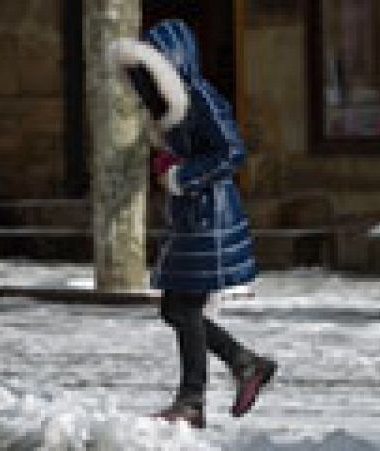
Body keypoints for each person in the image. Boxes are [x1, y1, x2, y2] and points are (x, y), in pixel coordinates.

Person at [108, 19, 276, 429]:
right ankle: (244, 364)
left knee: (181, 306)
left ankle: (193, 400)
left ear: (172, 66)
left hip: (210, 218)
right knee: (176, 307)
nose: (145, 85)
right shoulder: (169, 108)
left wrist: (182, 175)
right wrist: (170, 165)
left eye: (152, 74)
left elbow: (232, 152)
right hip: (192, 217)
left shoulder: (200, 97)